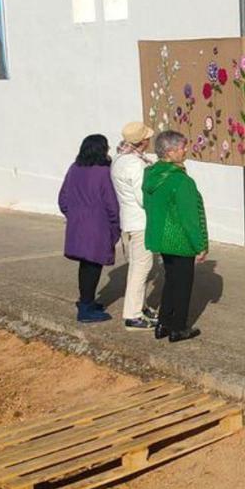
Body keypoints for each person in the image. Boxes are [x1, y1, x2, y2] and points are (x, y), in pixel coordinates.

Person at [143, 130, 208, 343]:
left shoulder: (151, 175)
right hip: (179, 239)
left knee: (171, 280)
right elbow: (190, 217)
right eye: (182, 147)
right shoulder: (181, 181)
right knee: (183, 284)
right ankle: (178, 327)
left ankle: (163, 323)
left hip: (161, 237)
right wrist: (200, 244)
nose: (185, 150)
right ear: (170, 152)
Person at [57, 134, 120, 323]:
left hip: (78, 225)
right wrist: (116, 225)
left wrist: (74, 215)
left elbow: (63, 199)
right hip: (97, 226)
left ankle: (87, 301)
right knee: (93, 265)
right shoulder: (103, 172)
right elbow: (111, 204)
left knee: (85, 265)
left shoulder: (74, 168)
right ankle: (85, 307)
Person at [111, 121, 158, 331]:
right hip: (140, 222)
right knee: (142, 268)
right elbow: (142, 197)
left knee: (137, 267)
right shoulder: (136, 165)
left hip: (129, 220)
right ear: (143, 141)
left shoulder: (120, 159)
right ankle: (133, 315)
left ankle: (141, 306)